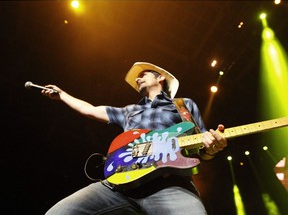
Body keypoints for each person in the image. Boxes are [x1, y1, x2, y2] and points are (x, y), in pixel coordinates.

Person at [42, 62, 227, 215]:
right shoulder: (129, 110)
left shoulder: (183, 105)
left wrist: (212, 147)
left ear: (160, 77)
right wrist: (62, 95)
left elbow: (203, 148)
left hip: (170, 184)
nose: (137, 78)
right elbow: (89, 109)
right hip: (120, 184)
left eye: (143, 74)